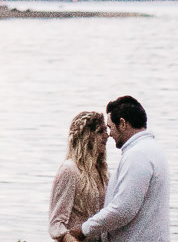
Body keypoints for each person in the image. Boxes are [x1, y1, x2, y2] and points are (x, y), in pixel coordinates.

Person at [66, 95, 169, 242]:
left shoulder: (138, 155)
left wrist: (84, 229)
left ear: (122, 123)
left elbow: (123, 209)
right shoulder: (152, 149)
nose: (109, 134)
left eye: (110, 127)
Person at [48, 110, 110, 241]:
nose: (107, 135)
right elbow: (56, 223)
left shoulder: (103, 171)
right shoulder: (70, 170)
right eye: (100, 132)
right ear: (87, 137)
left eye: (106, 130)